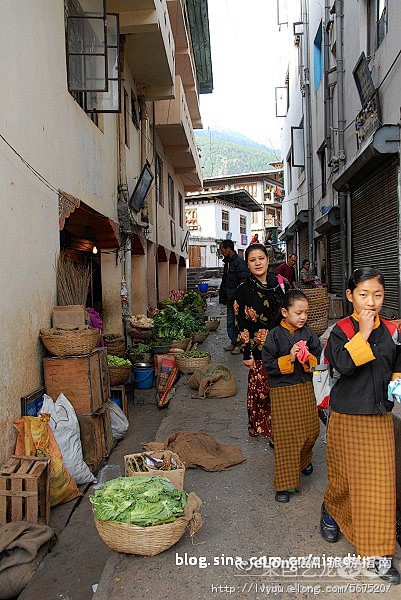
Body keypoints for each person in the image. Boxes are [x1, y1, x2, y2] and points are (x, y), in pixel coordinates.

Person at [320, 267, 401, 585]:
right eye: (364, 295)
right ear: (350, 296)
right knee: (344, 481)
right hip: (348, 416)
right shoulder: (340, 330)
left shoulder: (393, 330)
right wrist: (363, 333)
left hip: (379, 417)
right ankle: (331, 508)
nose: (371, 302)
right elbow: (342, 366)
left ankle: (379, 555)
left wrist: (396, 379)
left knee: (380, 487)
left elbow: (397, 360)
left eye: (378, 295)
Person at [262, 290, 321, 503]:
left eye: (306, 312)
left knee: (311, 431)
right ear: (285, 312)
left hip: (305, 389)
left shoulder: (309, 334)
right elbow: (268, 363)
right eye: (298, 313)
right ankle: (285, 486)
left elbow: (318, 358)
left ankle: (304, 460)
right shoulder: (275, 335)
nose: (303, 317)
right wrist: (289, 358)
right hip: (283, 391)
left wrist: (307, 359)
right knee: (287, 438)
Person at [233, 243, 284, 440]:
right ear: (247, 264)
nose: (258, 263)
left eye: (261, 258)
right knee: (261, 392)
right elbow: (241, 323)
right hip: (259, 348)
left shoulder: (279, 284)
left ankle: (277, 432)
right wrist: (247, 353)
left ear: (268, 260)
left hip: (282, 346)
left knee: (281, 390)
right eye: (253, 260)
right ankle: (259, 426)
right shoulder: (243, 290)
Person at [219, 239, 249, 355]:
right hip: (230, 299)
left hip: (237, 300)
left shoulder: (239, 263)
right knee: (230, 322)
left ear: (228, 249)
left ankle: (240, 344)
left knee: (239, 323)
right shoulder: (228, 263)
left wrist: (238, 298)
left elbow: (243, 282)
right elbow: (225, 281)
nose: (221, 252)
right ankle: (234, 342)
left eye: (222, 249)